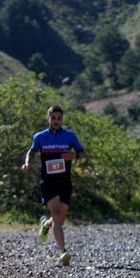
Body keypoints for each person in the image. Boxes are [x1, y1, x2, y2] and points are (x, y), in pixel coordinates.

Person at [22, 105, 86, 267]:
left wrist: (74, 156)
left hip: (65, 182)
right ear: (48, 118)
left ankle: (45, 225)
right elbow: (32, 151)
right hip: (48, 182)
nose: (56, 121)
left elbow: (82, 154)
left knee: (60, 219)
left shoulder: (70, 136)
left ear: (62, 119)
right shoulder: (40, 137)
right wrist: (27, 163)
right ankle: (63, 252)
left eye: (59, 118)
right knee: (56, 215)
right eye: (53, 118)